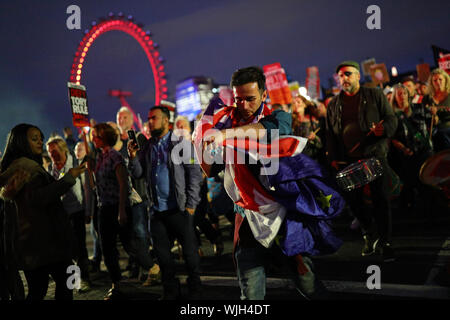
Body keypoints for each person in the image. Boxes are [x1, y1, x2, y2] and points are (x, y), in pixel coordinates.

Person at [194, 66, 344, 300]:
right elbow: (211, 170)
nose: (243, 105)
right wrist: (201, 142)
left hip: (283, 218)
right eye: (238, 99)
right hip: (246, 220)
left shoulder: (278, 117)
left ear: (264, 95)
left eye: (250, 99)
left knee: (309, 286)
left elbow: (274, 131)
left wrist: (227, 135)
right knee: (251, 296)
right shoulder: (224, 122)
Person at [0, 123, 86, 300]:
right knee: (66, 280)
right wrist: (70, 177)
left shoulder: (19, 166)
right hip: (44, 241)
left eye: (41, 138)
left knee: (39, 289)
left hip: (34, 242)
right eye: (34, 139)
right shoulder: (27, 167)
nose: (40, 142)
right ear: (21, 142)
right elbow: (39, 198)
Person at [128, 106, 203, 300]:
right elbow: (138, 173)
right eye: (149, 118)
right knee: (163, 257)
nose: (150, 121)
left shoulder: (182, 144)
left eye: (154, 118)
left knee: (190, 253)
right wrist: (133, 157)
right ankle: (171, 291)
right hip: (156, 211)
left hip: (178, 208)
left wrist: (191, 204)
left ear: (166, 121)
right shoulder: (146, 146)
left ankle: (195, 288)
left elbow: (195, 173)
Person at [325, 61, 398, 262]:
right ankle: (369, 232)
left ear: (358, 76)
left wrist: (383, 131)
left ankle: (385, 241)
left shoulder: (374, 95)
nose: (343, 78)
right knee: (354, 202)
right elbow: (330, 134)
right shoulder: (333, 104)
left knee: (380, 199)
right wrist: (332, 156)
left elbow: (391, 118)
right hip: (348, 160)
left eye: (348, 74)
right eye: (340, 75)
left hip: (373, 155)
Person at [91, 123, 155, 300]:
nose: (93, 138)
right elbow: (95, 186)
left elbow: (123, 184)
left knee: (129, 244)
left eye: (96, 135)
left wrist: (122, 210)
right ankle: (117, 285)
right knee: (108, 248)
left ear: (104, 137)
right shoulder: (99, 157)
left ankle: (154, 268)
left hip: (116, 207)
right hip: (103, 207)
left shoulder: (114, 156)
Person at [46, 137, 92, 292]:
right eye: (49, 152)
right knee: (67, 248)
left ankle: (84, 279)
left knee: (80, 247)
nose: (52, 154)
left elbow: (87, 189)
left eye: (54, 150)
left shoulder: (74, 164)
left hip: (77, 210)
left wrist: (88, 210)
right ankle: (73, 279)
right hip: (61, 214)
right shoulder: (51, 170)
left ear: (63, 149)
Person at [388, 84, 433, 213]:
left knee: (427, 182)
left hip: (424, 151)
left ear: (408, 94)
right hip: (407, 154)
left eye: (404, 93)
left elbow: (431, 123)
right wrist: (403, 149)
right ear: (395, 97)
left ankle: (431, 210)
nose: (402, 96)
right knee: (411, 182)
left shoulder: (419, 108)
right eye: (399, 94)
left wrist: (434, 115)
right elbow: (393, 137)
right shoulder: (392, 116)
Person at [424, 68, 450, 152]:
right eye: (435, 80)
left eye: (440, 79)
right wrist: (431, 114)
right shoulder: (427, 98)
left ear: (446, 80)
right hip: (436, 134)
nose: (438, 82)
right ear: (431, 83)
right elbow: (424, 116)